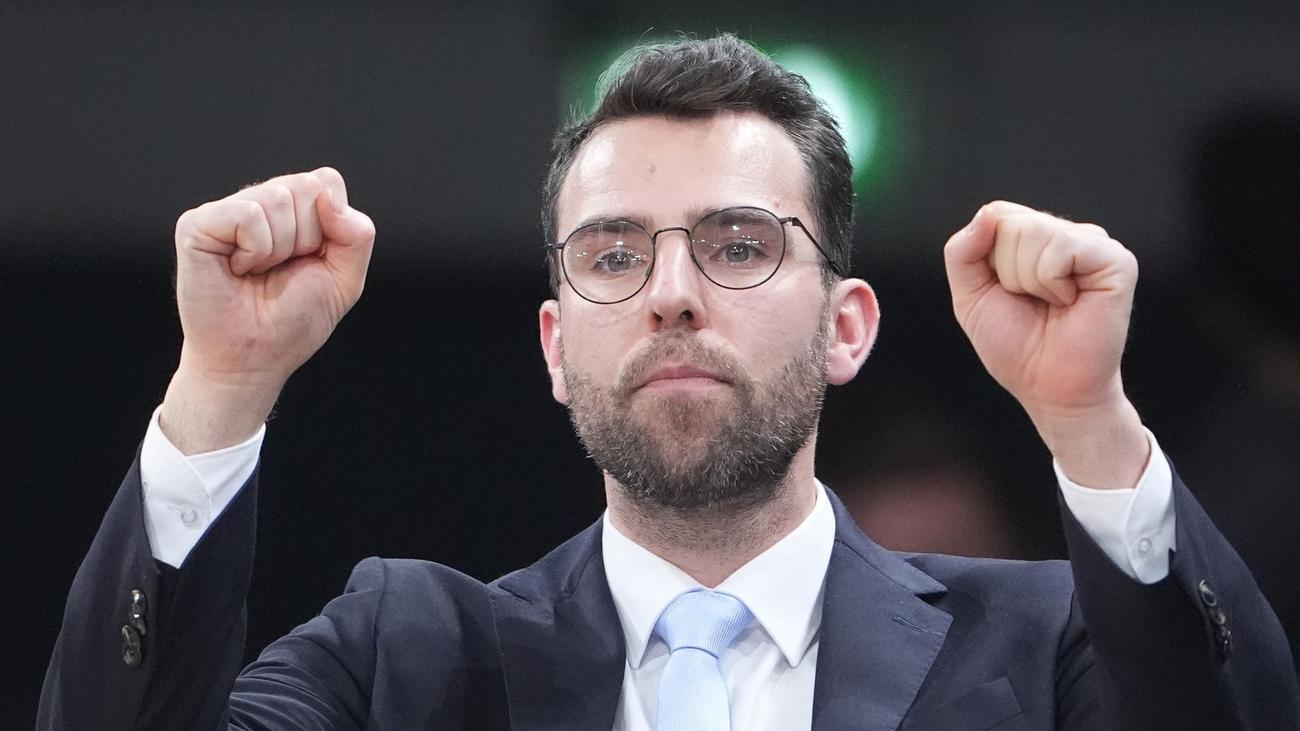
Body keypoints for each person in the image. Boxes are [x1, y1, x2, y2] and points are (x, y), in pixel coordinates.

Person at [39, 34, 1297, 730]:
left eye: (739, 245)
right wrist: (221, 383)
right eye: (613, 254)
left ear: (847, 325)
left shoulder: (1043, 646)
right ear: (552, 346)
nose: (672, 292)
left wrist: (1088, 421)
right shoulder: (403, 659)